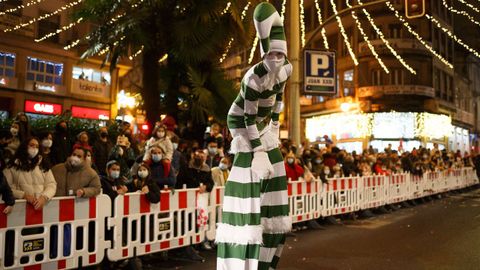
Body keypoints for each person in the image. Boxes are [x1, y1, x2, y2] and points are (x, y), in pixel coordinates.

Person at [216, 3, 293, 269]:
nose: (275, 59)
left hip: (263, 124)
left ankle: (267, 259)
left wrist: (274, 128)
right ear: (264, 53)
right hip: (242, 123)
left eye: (279, 54)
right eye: (270, 54)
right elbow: (246, 118)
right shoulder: (253, 77)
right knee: (251, 169)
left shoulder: (286, 70)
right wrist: (258, 151)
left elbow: (279, 98)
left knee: (275, 168)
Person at [3, 137, 57, 209]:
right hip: (18, 209)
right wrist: (23, 195)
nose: (35, 148)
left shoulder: (43, 166)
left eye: (37, 146)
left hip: (41, 208)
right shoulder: (12, 166)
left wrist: (44, 197)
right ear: (24, 146)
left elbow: (51, 184)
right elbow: (5, 187)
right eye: (32, 145)